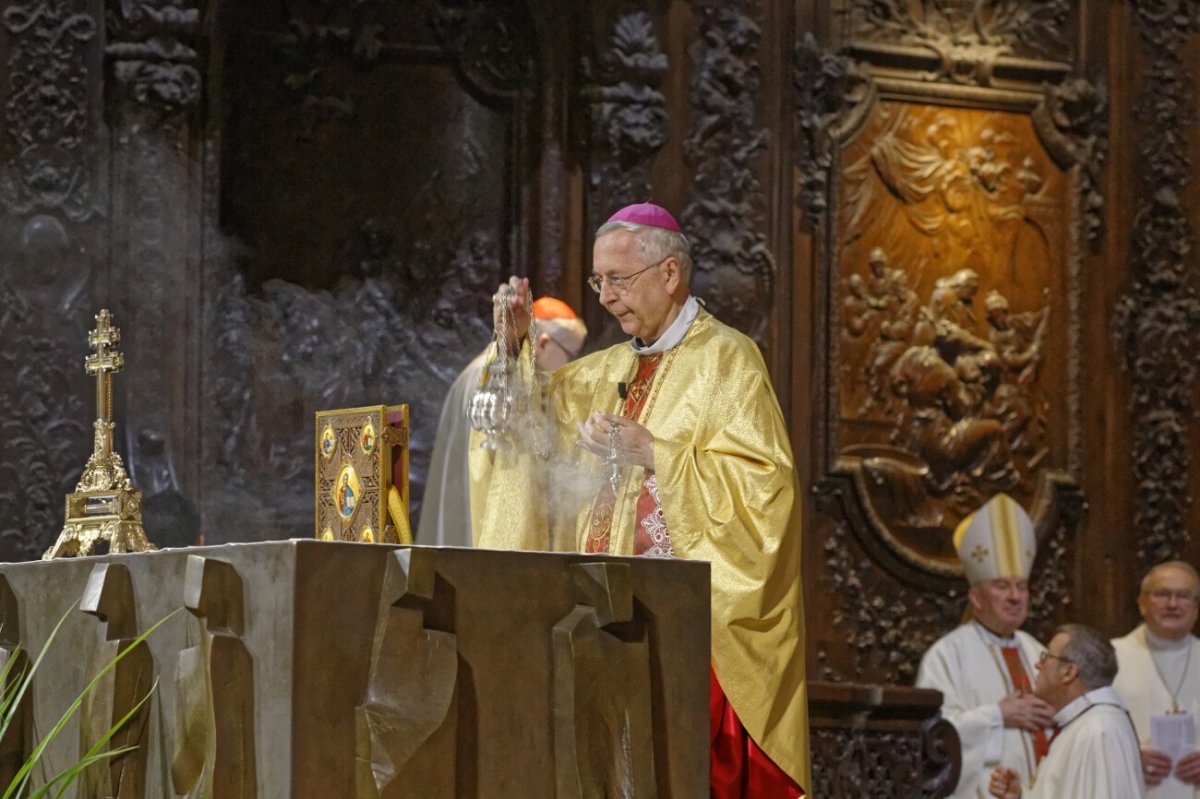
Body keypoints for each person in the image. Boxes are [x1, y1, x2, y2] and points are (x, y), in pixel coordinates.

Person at [470, 202, 809, 795]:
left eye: (618, 280)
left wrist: (659, 455)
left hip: (689, 639)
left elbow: (767, 497)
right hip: (598, 628)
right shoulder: (600, 373)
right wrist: (514, 349)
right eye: (599, 280)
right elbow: (524, 433)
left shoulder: (730, 362)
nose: (604, 296)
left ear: (670, 274)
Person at [417, 297, 587, 547]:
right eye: (572, 355)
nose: (572, 367)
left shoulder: (487, 368)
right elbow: (510, 465)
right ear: (542, 343)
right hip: (482, 513)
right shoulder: (499, 380)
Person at [916, 493, 1054, 798]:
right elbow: (932, 734)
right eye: (1002, 586)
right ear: (976, 598)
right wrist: (997, 716)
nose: (1015, 597)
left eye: (1021, 587)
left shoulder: (1038, 651)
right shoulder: (947, 655)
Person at [988, 624, 1145, 798]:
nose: (1038, 664)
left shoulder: (1099, 730)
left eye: (1046, 657)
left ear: (1068, 672)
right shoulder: (1086, 722)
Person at [1112, 561, 1200, 796]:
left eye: (1183, 596)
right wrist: (1126, 756)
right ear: (1142, 603)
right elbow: (1083, 733)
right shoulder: (1111, 658)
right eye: (1162, 594)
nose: (1172, 604)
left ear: (1196, 607)